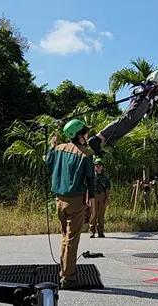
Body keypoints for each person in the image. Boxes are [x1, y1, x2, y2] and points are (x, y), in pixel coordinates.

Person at [88, 62, 158, 155]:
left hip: (147, 100)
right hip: (145, 96)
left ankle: (105, 142)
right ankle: (97, 138)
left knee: (130, 124)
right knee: (127, 120)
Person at [45, 118, 95, 290]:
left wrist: (52, 144)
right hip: (76, 201)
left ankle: (64, 271)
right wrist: (92, 201)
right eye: (86, 132)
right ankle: (69, 278)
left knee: (65, 238)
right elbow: (90, 179)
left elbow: (48, 161)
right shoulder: (86, 154)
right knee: (72, 239)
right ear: (80, 135)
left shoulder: (58, 149)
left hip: (59, 200)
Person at [89, 158, 111, 238]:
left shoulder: (105, 178)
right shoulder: (91, 177)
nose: (98, 167)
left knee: (101, 215)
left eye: (99, 165)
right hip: (93, 196)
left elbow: (107, 189)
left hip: (102, 195)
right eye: (96, 165)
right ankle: (92, 231)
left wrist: (107, 198)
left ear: (102, 167)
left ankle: (100, 232)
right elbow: (88, 187)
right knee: (93, 214)